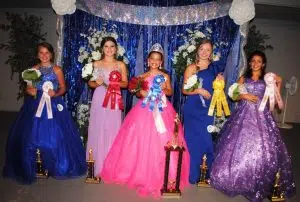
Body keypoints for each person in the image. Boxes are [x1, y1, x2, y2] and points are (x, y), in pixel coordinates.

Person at [101, 43, 189, 198]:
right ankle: (139, 172)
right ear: (148, 61)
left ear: (161, 62)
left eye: (158, 60)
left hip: (162, 109)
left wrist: (162, 88)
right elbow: (137, 92)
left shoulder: (165, 76)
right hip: (145, 110)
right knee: (140, 139)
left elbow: (170, 92)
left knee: (164, 138)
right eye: (152, 59)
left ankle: (165, 172)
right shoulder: (141, 77)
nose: (154, 62)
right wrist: (141, 91)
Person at [210, 51, 296, 201]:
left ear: (263, 64)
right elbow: (234, 95)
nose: (256, 63)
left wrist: (279, 82)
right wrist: (244, 95)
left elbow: (273, 101)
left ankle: (259, 178)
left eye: (259, 61)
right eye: (253, 61)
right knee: (237, 145)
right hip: (243, 116)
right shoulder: (244, 78)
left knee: (263, 147)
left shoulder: (267, 80)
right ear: (250, 63)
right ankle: (237, 178)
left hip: (262, 118)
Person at [3, 42, 86, 184]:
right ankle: (36, 164)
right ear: (37, 55)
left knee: (57, 134)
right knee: (32, 134)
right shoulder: (33, 70)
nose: (44, 55)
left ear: (51, 54)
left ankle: (56, 164)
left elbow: (63, 88)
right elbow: (28, 89)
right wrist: (31, 90)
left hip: (53, 104)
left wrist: (55, 93)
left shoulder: (57, 70)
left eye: (47, 52)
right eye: (41, 53)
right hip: (36, 105)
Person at [182, 39, 225, 184]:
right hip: (193, 109)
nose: (204, 52)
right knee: (192, 141)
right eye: (202, 49)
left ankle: (205, 174)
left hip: (208, 108)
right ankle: (192, 174)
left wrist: (220, 82)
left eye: (208, 50)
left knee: (207, 140)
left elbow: (218, 90)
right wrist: (198, 90)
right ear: (197, 51)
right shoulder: (192, 68)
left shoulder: (214, 69)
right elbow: (184, 90)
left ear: (211, 53)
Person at [86, 36, 128, 177]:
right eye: (106, 46)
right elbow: (90, 83)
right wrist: (96, 83)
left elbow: (125, 84)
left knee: (113, 126)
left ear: (116, 49)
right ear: (102, 49)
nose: (109, 49)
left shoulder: (120, 65)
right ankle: (96, 162)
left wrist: (114, 83)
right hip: (99, 97)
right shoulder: (96, 63)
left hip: (114, 98)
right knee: (98, 126)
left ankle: (112, 163)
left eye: (112, 46)